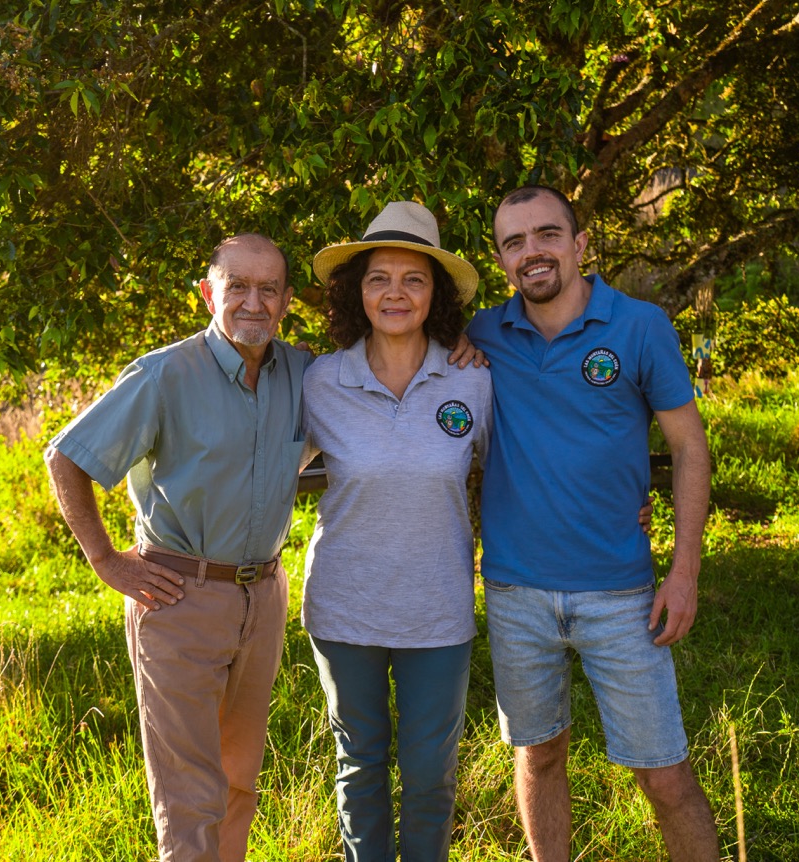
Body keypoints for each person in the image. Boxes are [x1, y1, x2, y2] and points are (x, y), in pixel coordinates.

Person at [466, 186, 719, 862]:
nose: (532, 252)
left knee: (663, 775)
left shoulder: (638, 327)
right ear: (500, 260)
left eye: (547, 234)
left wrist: (684, 571)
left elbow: (690, 447)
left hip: (621, 594)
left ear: (580, 246)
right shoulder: (483, 336)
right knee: (539, 754)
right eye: (514, 242)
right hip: (516, 592)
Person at [44, 233, 306, 862]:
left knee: (240, 780)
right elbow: (66, 457)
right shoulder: (163, 374)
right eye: (236, 285)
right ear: (206, 293)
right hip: (179, 598)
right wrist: (106, 560)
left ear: (287, 301)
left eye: (268, 288)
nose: (253, 301)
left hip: (263, 597)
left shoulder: (302, 371)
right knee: (191, 798)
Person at [300, 201, 491, 862]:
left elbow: (518, 475)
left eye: (414, 278)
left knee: (432, 779)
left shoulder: (474, 379)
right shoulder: (319, 381)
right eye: (379, 277)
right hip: (343, 606)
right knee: (360, 768)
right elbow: (257, 463)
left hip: (438, 611)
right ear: (358, 290)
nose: (395, 293)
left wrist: (620, 505)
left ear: (435, 293)